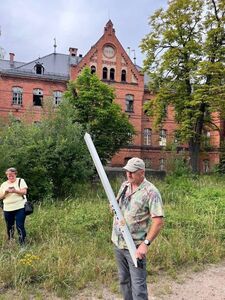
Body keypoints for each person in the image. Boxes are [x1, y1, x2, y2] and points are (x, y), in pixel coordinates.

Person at [111, 157, 164, 300]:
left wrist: (145, 244)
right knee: (124, 281)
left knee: (138, 287)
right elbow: (115, 208)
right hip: (118, 243)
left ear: (142, 172)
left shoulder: (151, 192)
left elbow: (158, 221)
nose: (128, 175)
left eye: (132, 173)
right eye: (127, 172)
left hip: (135, 248)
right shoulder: (124, 186)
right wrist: (113, 208)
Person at [0, 167, 28, 245]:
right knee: (9, 226)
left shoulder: (20, 181)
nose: (11, 177)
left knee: (20, 225)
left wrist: (15, 190)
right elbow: (0, 197)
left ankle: (22, 244)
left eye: (12, 175)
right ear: (7, 175)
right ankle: (11, 241)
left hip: (20, 207)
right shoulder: (4, 184)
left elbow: (24, 192)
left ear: (15, 174)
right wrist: (6, 192)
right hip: (8, 209)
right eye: (9, 175)